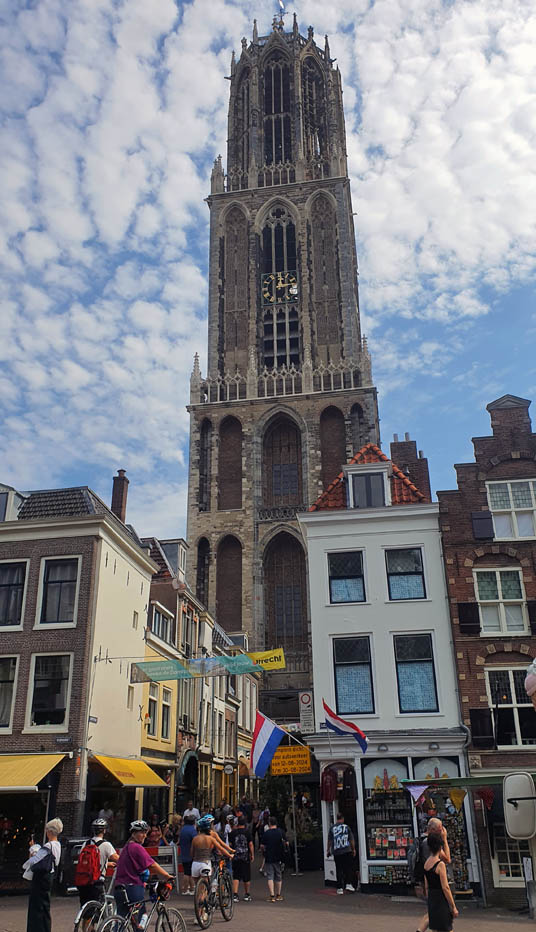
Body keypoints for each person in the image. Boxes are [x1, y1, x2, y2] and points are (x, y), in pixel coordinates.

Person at [114, 820, 173, 924]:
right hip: (133, 887)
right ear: (133, 834)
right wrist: (167, 875)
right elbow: (152, 865)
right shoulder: (137, 848)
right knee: (141, 919)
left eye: (145, 833)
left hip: (119, 887)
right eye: (141, 832)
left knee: (121, 920)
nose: (144, 835)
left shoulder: (126, 848)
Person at [25, 817, 63, 932]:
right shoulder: (58, 845)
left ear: (50, 831)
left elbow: (34, 861)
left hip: (41, 879)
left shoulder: (48, 846)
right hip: (49, 877)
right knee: (45, 906)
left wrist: (32, 848)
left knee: (36, 906)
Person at [417, 818, 452, 932]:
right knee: (435, 915)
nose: (442, 830)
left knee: (432, 914)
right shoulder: (431, 842)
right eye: (439, 828)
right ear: (432, 829)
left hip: (429, 882)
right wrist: (445, 839)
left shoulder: (424, 840)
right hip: (436, 884)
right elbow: (447, 859)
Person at [76, 818, 119, 913]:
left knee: (86, 912)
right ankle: (103, 926)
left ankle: (87, 927)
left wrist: (107, 864)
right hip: (97, 881)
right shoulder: (106, 845)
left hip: (84, 881)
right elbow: (117, 859)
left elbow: (87, 862)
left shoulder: (85, 844)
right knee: (101, 907)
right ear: (104, 830)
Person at [424, 832, 458, 931]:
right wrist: (453, 907)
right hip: (441, 901)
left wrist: (429, 901)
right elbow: (445, 887)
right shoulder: (440, 865)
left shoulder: (426, 864)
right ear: (440, 847)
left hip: (432, 899)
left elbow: (426, 886)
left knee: (435, 929)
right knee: (447, 929)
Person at [190, 814, 234, 883]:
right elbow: (221, 847)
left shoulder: (195, 839)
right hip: (205, 863)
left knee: (198, 887)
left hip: (195, 864)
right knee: (204, 889)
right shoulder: (211, 838)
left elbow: (191, 853)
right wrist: (230, 854)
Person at [326, 813, 356, 895]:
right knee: (348, 868)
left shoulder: (332, 828)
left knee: (339, 869)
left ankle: (339, 888)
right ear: (342, 818)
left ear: (336, 818)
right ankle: (348, 884)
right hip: (346, 850)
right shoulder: (346, 827)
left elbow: (329, 841)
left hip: (337, 851)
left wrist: (328, 850)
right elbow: (351, 839)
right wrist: (353, 849)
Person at [260, 816, 288, 903]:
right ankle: (278, 895)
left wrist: (263, 851)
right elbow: (287, 842)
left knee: (270, 876)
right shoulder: (281, 832)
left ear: (269, 823)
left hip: (269, 857)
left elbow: (262, 845)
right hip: (279, 856)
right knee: (278, 876)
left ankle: (272, 895)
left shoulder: (267, 833)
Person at [230, 817, 254, 902]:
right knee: (246, 876)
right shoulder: (247, 832)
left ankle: (235, 894)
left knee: (236, 876)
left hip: (236, 857)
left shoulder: (233, 833)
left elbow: (230, 844)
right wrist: (252, 854)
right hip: (245, 857)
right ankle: (247, 894)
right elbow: (250, 844)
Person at [178, 815, 197, 895]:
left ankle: (187, 888)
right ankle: (188, 889)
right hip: (191, 853)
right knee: (189, 873)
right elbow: (195, 841)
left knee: (186, 871)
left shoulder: (183, 829)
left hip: (184, 852)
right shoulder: (192, 830)